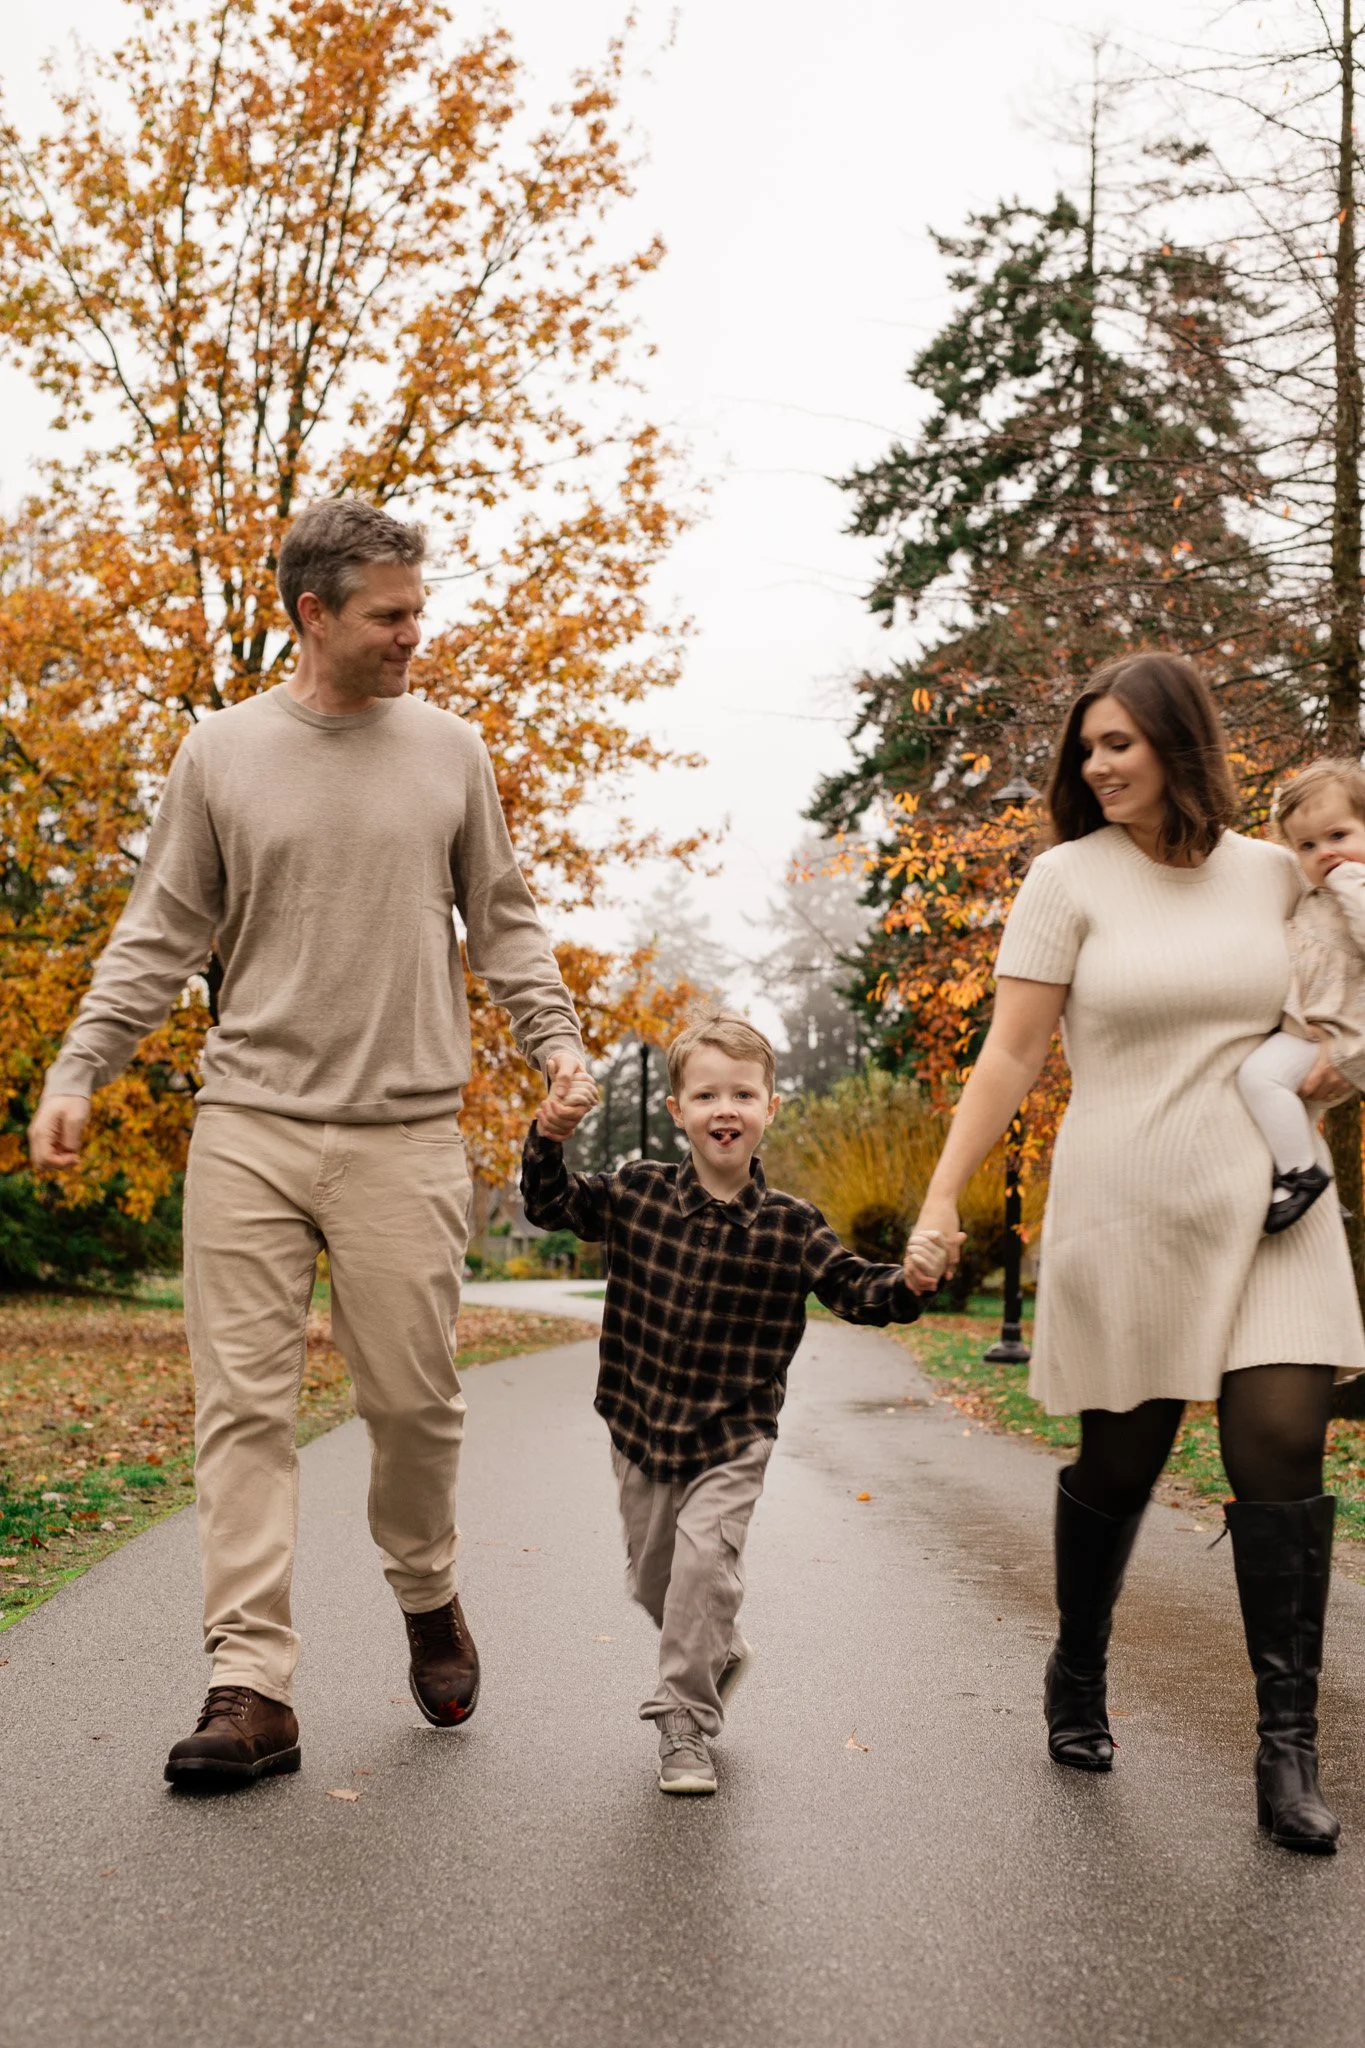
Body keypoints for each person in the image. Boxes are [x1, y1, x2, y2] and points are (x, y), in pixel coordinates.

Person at [28, 498, 595, 1789]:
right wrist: (81, 1067)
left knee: (414, 1408)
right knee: (244, 1412)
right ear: (313, 614)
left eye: (415, 608)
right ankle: (251, 1685)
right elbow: (157, 935)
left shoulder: (450, 750)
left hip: (403, 1134)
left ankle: (428, 1590)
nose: (414, 633)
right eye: (391, 613)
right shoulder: (219, 754)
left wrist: (553, 1039)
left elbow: (502, 921)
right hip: (249, 1126)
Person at [907, 654, 1365, 1855]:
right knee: (1120, 1458)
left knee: (1280, 1447)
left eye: (1120, 742)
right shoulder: (1067, 878)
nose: (1098, 765)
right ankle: (1078, 1664)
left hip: (1278, 1195)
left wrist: (1335, 1067)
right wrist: (945, 1194)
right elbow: (1010, 1055)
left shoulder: (1276, 872)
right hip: (1133, 1199)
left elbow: (1343, 987)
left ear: (1179, 741)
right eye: (1088, 748)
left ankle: (1287, 1753)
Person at [520, 1014, 945, 1796]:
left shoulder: (792, 1226)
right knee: (655, 1583)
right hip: (641, 1422)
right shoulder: (638, 1192)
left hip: (731, 1435)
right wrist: (548, 1135)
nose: (725, 1108)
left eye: (742, 1093)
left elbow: (857, 1288)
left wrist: (912, 1284)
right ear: (677, 1108)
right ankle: (715, 1649)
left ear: (769, 1107)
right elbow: (551, 1206)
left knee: (703, 1565)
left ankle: (682, 1722)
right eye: (706, 1093)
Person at [1237, 758, 1365, 1233]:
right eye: (1307, 845)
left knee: (1259, 1079)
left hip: (1332, 1032)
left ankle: (1300, 1175)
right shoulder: (1318, 896)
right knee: (1286, 1100)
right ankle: (1301, 1178)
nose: (1325, 853)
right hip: (1317, 1026)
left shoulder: (1353, 884)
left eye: (1339, 836)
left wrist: (1350, 886)